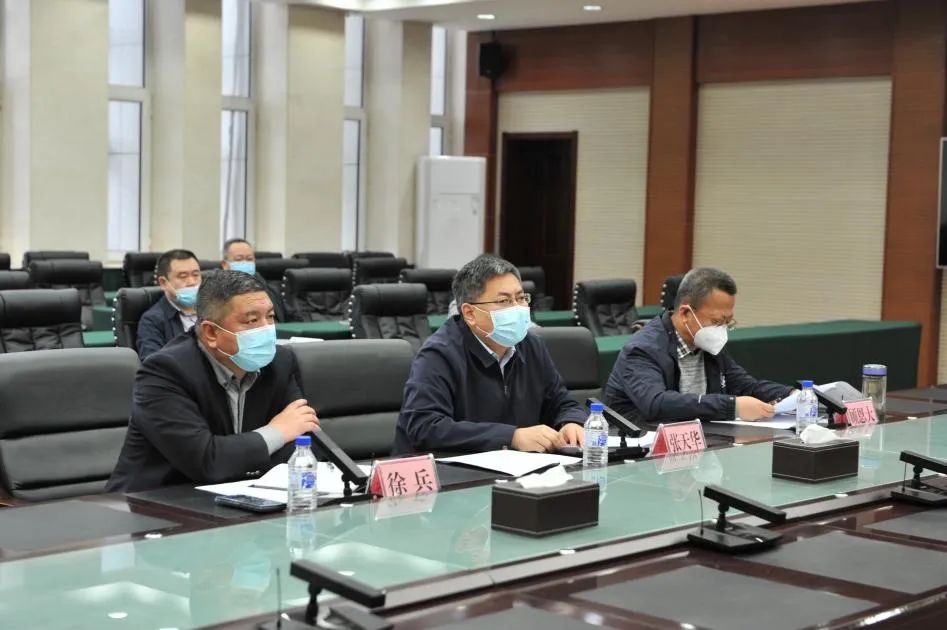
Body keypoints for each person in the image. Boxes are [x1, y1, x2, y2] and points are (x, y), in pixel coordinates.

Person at [107, 270, 320, 492]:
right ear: (210, 333)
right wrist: (277, 432)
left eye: (270, 316)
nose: (266, 329)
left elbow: (304, 440)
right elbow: (206, 461)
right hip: (153, 501)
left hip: (241, 495)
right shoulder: (164, 372)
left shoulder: (279, 362)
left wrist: (239, 457)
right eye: (252, 320)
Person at [393, 254, 586, 455]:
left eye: (521, 298)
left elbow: (562, 402)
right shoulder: (439, 354)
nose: (518, 308)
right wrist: (511, 437)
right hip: (447, 470)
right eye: (504, 300)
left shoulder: (531, 345)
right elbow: (425, 426)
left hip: (516, 468)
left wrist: (571, 422)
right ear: (470, 313)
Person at [604, 267, 793, 428]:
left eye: (728, 322)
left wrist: (791, 395)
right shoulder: (642, 349)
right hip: (639, 447)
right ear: (685, 313)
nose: (721, 329)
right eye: (717, 321)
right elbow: (656, 403)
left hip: (701, 443)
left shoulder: (708, 344)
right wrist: (732, 406)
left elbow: (745, 386)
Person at [136, 249, 202, 360]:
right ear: (163, 283)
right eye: (183, 276)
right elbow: (153, 364)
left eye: (196, 275)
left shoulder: (214, 310)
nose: (192, 282)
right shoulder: (152, 321)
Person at [221, 238, 287, 322]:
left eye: (249, 259)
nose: (245, 263)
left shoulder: (266, 288)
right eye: (239, 259)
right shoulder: (217, 291)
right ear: (225, 265)